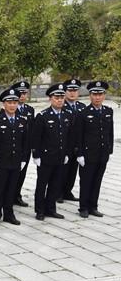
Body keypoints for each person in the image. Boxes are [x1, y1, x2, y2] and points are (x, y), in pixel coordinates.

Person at [31, 83, 73, 221]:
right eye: (56, 97)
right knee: (42, 185)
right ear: (50, 99)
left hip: (60, 157)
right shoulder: (43, 116)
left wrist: (67, 153)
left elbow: (67, 137)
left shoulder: (67, 115)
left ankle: (50, 208)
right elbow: (35, 138)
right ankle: (40, 210)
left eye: (61, 97)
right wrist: (36, 155)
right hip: (45, 157)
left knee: (56, 184)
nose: (60, 100)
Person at [0, 88, 29, 226]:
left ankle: (9, 214)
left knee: (11, 189)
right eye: (9, 102)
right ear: (3, 104)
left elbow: (25, 142)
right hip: (0, 162)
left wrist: (23, 159)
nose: (12, 105)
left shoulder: (22, 120)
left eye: (15, 102)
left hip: (16, 161)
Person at [74, 80, 113, 218]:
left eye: (100, 94)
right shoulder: (83, 113)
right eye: (94, 94)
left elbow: (110, 132)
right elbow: (78, 136)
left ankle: (93, 206)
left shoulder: (108, 111)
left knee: (97, 181)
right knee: (86, 181)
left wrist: (110, 150)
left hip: (102, 154)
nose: (97, 97)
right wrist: (79, 154)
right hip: (88, 154)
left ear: (104, 95)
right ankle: (83, 207)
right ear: (90, 95)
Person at [59, 78, 85, 203]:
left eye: (75, 90)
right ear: (65, 92)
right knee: (62, 170)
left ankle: (67, 191)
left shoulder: (82, 107)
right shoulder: (60, 106)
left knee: (73, 171)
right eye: (69, 90)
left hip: (78, 145)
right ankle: (58, 192)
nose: (72, 93)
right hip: (64, 144)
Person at [11, 81, 35, 207]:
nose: (22, 95)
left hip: (26, 148)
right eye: (20, 93)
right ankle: (9, 195)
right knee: (12, 174)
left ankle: (17, 195)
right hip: (13, 147)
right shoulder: (9, 109)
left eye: (25, 93)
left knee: (22, 173)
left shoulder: (30, 110)